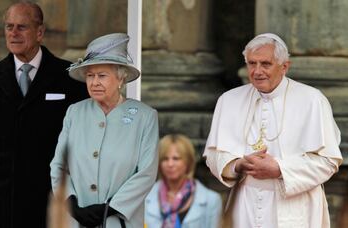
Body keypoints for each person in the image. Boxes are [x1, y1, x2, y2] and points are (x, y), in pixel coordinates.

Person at [0, 1, 88, 228]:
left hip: (51, 200)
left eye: (22, 27)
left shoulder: (71, 79)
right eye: (9, 26)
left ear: (39, 32)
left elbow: (81, 144)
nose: (13, 33)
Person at [203, 32, 343, 228]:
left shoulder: (312, 100)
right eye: (252, 63)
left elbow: (328, 161)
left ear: (284, 67)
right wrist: (237, 165)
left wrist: (279, 169)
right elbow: (213, 155)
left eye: (265, 64)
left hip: (295, 206)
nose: (257, 71)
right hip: (245, 204)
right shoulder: (228, 100)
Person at [50, 33, 159, 227]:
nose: (94, 82)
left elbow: (146, 172)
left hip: (119, 222)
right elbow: (59, 166)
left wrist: (111, 208)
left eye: (102, 76)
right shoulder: (75, 113)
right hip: (75, 221)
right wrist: (72, 204)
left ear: (120, 79)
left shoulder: (145, 116)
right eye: (90, 76)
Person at [145, 134, 222, 228]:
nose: (170, 164)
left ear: (188, 162)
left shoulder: (211, 200)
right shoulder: (145, 197)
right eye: (165, 159)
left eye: (176, 158)